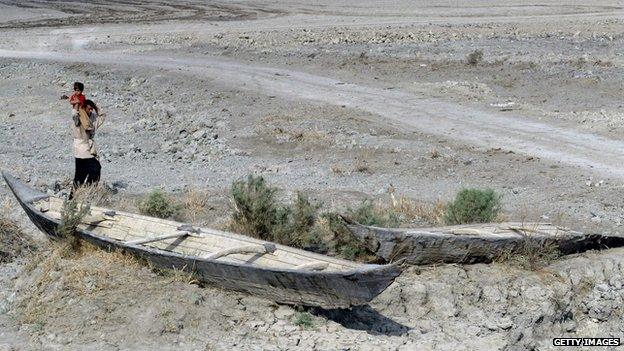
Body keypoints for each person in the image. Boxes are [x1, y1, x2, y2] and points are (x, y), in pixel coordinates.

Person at [71, 99, 104, 193]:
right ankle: (76, 196)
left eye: (91, 109)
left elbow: (102, 116)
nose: (90, 111)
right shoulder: (79, 118)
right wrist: (77, 105)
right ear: (84, 108)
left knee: (92, 170)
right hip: (81, 148)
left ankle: (86, 192)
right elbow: (74, 115)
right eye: (88, 109)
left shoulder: (92, 117)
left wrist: (95, 106)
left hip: (89, 148)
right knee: (84, 173)